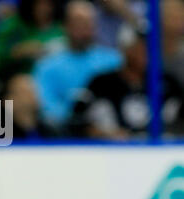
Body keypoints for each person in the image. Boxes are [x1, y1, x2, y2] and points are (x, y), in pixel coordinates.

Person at [70, 30, 184, 139]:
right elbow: (76, 121)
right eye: (141, 46)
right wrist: (102, 133)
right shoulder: (101, 83)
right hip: (110, 153)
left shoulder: (168, 83)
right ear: (126, 49)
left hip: (162, 152)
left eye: (152, 47)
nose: (148, 52)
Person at [32, 0, 122, 134]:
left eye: (88, 23)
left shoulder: (114, 61)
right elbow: (46, 104)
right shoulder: (47, 65)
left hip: (109, 134)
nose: (83, 28)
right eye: (78, 22)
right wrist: (77, 121)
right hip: (63, 136)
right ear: (65, 26)